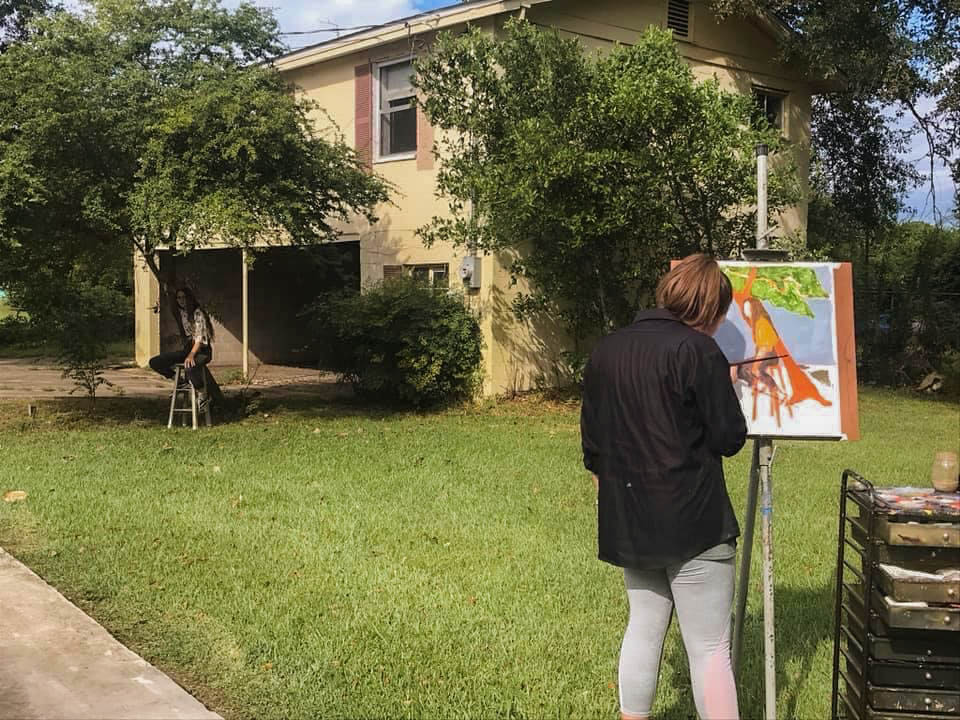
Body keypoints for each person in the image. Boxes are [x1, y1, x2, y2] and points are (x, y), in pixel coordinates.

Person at [580, 254, 747, 720]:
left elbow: (593, 446)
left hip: (630, 517)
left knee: (644, 627)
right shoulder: (699, 351)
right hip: (695, 522)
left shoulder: (606, 349)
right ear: (710, 308)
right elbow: (730, 438)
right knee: (710, 648)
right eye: (721, 315)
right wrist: (730, 388)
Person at [149, 287, 214, 410]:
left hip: (202, 351)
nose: (181, 300)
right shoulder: (182, 313)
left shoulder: (198, 313)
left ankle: (203, 394)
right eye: (178, 298)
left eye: (184, 297)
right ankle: (180, 382)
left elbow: (199, 338)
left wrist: (191, 355)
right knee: (155, 362)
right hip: (188, 349)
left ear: (189, 298)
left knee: (189, 366)